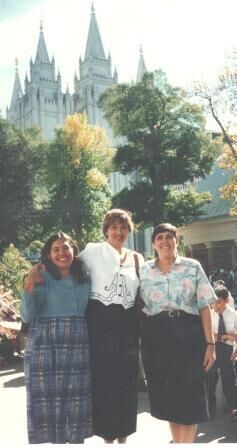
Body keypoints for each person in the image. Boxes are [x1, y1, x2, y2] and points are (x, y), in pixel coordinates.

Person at [140, 223, 216, 444]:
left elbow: (204, 306)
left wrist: (210, 344)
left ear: (176, 241)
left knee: (190, 397)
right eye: (159, 238)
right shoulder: (144, 269)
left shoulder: (192, 266)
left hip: (189, 335)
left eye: (169, 237)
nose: (165, 241)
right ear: (154, 244)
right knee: (170, 401)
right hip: (157, 338)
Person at [21, 232, 92, 444]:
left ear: (74, 251)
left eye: (66, 248)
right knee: (50, 403)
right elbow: (27, 315)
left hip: (78, 343)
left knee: (77, 401)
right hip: (45, 345)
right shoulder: (41, 275)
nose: (62, 253)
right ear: (49, 255)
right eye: (56, 249)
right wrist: (29, 284)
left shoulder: (85, 277)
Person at [80, 208, 144, 443]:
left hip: (128, 325)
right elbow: (66, 268)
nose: (119, 231)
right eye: (114, 227)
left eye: (123, 227)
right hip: (100, 323)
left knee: (127, 380)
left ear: (129, 230)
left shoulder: (137, 258)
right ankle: (107, 435)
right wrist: (38, 270)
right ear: (106, 229)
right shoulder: (92, 251)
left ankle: (124, 433)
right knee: (104, 380)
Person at [208, 285, 237, 421]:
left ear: (226, 301)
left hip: (227, 351)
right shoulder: (210, 314)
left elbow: (236, 336)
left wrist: (230, 337)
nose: (215, 305)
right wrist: (225, 336)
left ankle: (234, 410)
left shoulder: (233, 315)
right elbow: (208, 335)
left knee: (228, 382)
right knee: (210, 379)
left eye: (218, 302)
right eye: (213, 302)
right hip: (213, 350)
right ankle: (209, 411)